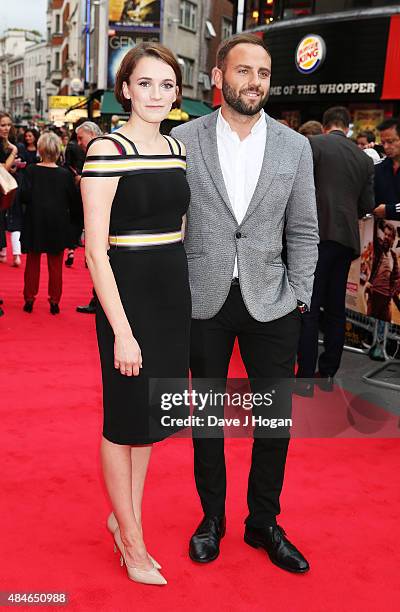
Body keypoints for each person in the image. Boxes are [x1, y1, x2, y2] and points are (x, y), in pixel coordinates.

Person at [172, 33, 319, 572]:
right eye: (243, 71)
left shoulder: (294, 146)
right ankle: (212, 518)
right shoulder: (182, 138)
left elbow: (304, 228)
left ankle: (263, 523)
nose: (255, 81)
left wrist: (300, 294)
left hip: (273, 302)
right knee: (207, 417)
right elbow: (172, 225)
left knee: (273, 421)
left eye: (263, 72)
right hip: (202, 300)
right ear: (218, 77)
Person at [81, 42, 190, 586]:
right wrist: (122, 331)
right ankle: (131, 539)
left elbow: (180, 227)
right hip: (127, 298)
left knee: (151, 421)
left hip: (172, 295)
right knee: (124, 418)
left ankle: (127, 515)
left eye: (167, 84)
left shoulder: (175, 148)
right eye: (145, 83)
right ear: (125, 89)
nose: (156, 94)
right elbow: (96, 250)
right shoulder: (106, 150)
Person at [296, 106, 375, 393]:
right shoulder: (363, 158)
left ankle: (304, 378)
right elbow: (367, 206)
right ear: (347, 126)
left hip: (315, 235)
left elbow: (297, 186)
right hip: (346, 241)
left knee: (309, 308)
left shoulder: (312, 144)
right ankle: (328, 374)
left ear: (327, 124)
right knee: (335, 310)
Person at [19, 131, 79, 314]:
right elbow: (73, 201)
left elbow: (24, 196)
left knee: (32, 263)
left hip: (35, 221)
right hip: (57, 223)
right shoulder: (65, 175)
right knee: (55, 265)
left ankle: (29, 299)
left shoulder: (30, 170)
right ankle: (54, 301)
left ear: (41, 149)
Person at [74, 121, 103, 313]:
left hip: (102, 217)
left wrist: (82, 180)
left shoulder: (101, 152)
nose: (78, 143)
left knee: (99, 259)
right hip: (98, 215)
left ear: (91, 134)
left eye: (80, 138)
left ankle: (98, 301)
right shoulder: (97, 150)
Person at [0, 111, 23, 267]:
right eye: (3, 125)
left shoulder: (6, 142)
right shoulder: (9, 145)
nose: (6, 128)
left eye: (8, 125)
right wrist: (13, 152)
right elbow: (3, 167)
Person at [365, 221, 400, 321]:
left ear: (393, 239)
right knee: (370, 325)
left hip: (386, 299)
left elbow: (395, 281)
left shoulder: (393, 256)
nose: (386, 237)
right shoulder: (379, 249)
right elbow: (375, 236)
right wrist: (377, 218)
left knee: (385, 326)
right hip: (374, 294)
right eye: (385, 234)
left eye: (389, 235)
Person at [373, 118, 400, 221]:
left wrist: (390, 210)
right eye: (383, 143)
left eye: (390, 141)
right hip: (384, 232)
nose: (386, 147)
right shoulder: (378, 168)